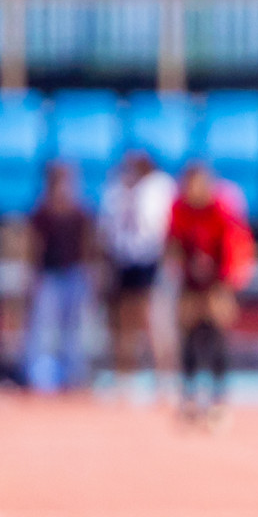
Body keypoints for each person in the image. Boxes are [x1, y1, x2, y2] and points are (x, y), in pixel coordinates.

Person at [165, 162, 254, 428]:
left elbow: (235, 245)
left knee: (216, 336)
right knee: (189, 337)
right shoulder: (179, 209)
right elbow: (173, 244)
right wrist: (181, 272)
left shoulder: (221, 209)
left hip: (218, 281)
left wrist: (225, 285)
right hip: (190, 283)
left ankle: (218, 399)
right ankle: (189, 397)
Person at [98, 151, 177, 393]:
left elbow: (167, 227)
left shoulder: (161, 188)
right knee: (123, 323)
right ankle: (124, 378)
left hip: (151, 260)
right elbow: (106, 231)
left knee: (155, 320)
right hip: (123, 261)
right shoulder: (115, 190)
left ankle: (165, 379)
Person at [25, 162, 94, 393]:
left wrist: (88, 274)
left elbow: (86, 245)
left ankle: (72, 376)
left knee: (72, 329)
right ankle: (41, 377)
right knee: (44, 327)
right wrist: (33, 276)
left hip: (74, 274)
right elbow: (35, 246)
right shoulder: (42, 212)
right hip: (49, 276)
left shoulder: (79, 211)